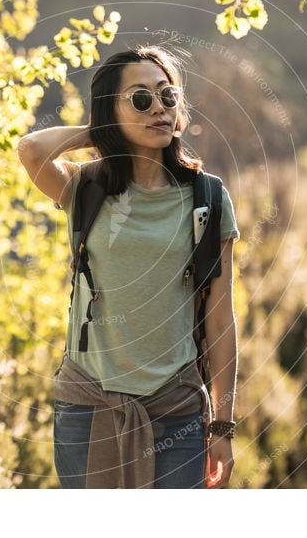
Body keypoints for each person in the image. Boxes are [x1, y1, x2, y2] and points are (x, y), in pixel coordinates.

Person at [17, 44, 240, 489]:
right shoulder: (86, 187)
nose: (159, 108)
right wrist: (99, 131)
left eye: (167, 96)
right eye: (141, 99)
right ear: (111, 112)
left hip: (177, 411)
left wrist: (222, 427)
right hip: (87, 407)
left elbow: (220, 318)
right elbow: (31, 150)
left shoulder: (208, 199)